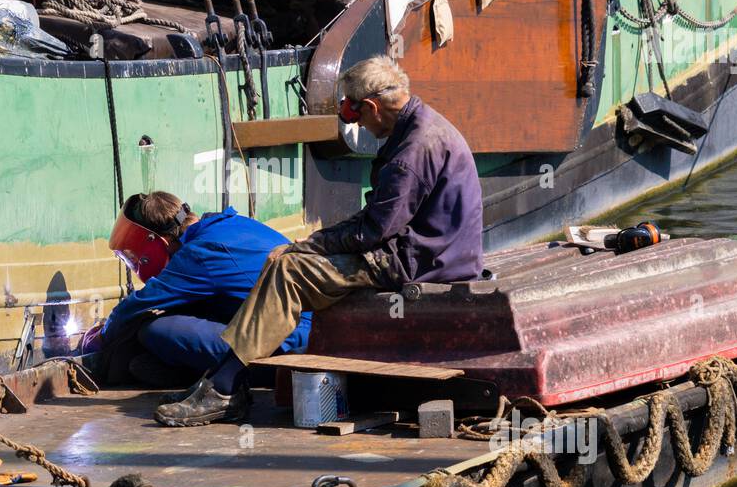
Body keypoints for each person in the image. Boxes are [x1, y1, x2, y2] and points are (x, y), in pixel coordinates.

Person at [155, 54, 483, 426]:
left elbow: (372, 232)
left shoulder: (412, 152)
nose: (357, 124)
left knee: (290, 271)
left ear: (373, 106)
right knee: (287, 263)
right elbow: (378, 219)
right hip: (433, 251)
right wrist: (309, 244)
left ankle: (225, 387)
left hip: (422, 261)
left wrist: (304, 246)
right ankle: (223, 379)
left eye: (355, 114)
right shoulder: (422, 128)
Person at [89, 190, 311, 422]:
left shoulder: (200, 253)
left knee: (154, 330)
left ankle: (233, 382)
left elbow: (138, 304)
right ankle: (199, 373)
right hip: (303, 329)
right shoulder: (229, 223)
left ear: (160, 242)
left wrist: (101, 337)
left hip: (289, 344)